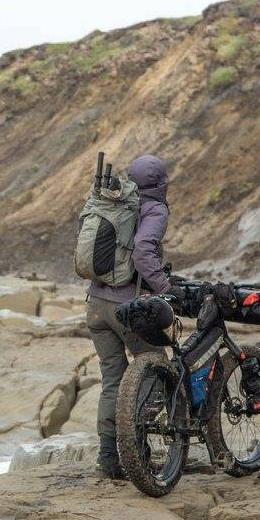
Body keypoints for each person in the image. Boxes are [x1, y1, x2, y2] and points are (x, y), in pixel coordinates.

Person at [85, 154, 173, 479]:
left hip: (95, 304)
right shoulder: (154, 209)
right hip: (127, 306)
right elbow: (142, 250)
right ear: (161, 184)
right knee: (156, 367)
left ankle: (108, 457)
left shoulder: (111, 199)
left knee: (113, 380)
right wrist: (166, 288)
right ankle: (137, 447)